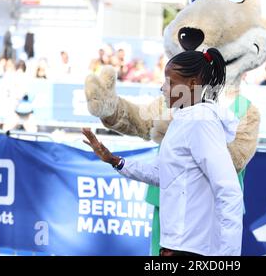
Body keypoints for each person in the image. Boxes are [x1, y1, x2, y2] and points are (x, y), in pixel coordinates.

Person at [82, 48, 243, 256]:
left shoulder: (201, 121)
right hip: (175, 244)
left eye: (170, 82)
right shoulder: (184, 118)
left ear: (193, 84)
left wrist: (227, 257)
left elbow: (228, 191)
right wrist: (115, 161)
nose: (163, 88)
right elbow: (166, 175)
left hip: (191, 249)